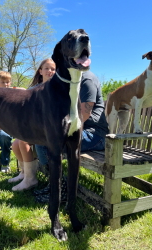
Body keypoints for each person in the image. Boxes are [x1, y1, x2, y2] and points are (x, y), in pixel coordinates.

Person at [33, 70, 109, 203]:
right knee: (42, 139)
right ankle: (55, 186)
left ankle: (59, 191)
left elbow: (84, 115)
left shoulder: (87, 80)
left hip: (95, 135)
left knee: (46, 143)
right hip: (79, 131)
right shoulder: (71, 82)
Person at [7, 59, 56, 191]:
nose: (50, 71)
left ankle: (30, 179)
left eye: (53, 69)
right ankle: (24, 173)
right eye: (47, 68)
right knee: (15, 143)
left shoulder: (57, 89)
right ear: (40, 71)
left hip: (49, 129)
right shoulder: (34, 89)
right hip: (35, 127)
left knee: (23, 142)